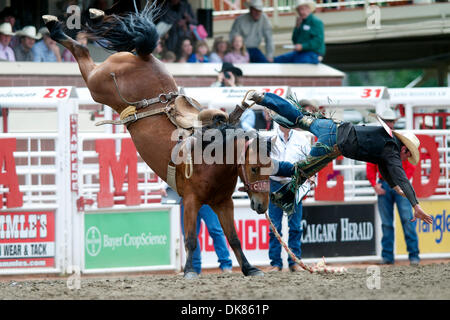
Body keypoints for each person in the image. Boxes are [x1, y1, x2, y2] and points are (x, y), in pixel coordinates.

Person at [246, 90, 433, 225]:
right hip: (333, 143)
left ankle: (264, 98)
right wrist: (415, 204)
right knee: (300, 171)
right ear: (405, 150)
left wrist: (393, 186)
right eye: (407, 157)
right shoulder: (392, 150)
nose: (403, 161)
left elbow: (384, 166)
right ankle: (269, 166)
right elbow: (400, 174)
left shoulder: (386, 144)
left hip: (330, 126)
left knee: (298, 117)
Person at [366, 108, 420, 266]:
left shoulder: (401, 141)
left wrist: (402, 182)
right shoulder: (396, 141)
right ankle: (392, 256)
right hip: (387, 183)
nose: (389, 124)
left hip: (396, 184)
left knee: (406, 219)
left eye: (391, 121)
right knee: (387, 222)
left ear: (394, 123)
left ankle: (411, 255)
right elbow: (371, 163)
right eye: (387, 121)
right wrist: (374, 184)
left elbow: (410, 164)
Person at [267, 123, 312, 272]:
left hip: (295, 184)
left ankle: (294, 261)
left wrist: (312, 178)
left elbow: (311, 161)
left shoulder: (302, 139)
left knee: (295, 226)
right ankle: (276, 263)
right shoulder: (269, 138)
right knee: (275, 226)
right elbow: (262, 163)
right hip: (275, 183)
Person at [160, 184, 233, 275]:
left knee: (214, 231)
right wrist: (164, 185)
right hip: (190, 199)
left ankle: (224, 265)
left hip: (204, 197)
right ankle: (196, 267)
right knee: (191, 234)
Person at [211, 62, 255, 130]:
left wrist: (232, 85)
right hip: (222, 115)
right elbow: (210, 96)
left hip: (237, 115)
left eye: (230, 74)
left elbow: (244, 102)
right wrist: (219, 81)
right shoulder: (216, 86)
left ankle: (249, 132)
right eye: (226, 74)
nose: (227, 77)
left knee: (249, 112)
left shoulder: (239, 87)